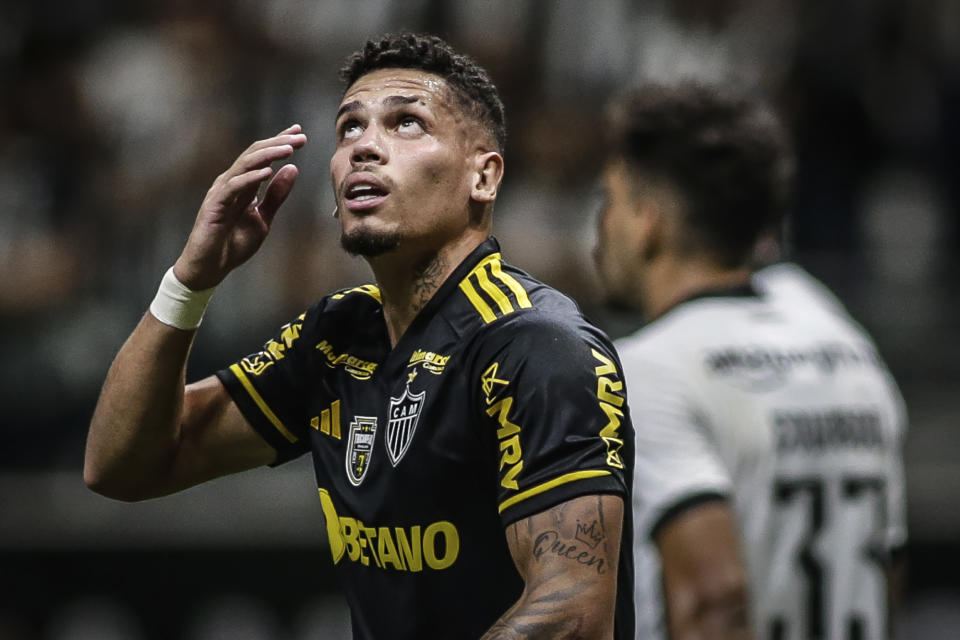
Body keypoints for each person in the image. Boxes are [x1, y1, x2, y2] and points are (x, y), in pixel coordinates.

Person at [84, 32, 635, 639]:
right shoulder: (336, 337)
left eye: (407, 123)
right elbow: (123, 466)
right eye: (348, 128)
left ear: (483, 175)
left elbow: (575, 614)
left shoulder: (534, 345)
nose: (364, 147)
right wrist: (189, 281)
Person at [593, 83, 907, 640]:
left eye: (611, 200)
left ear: (648, 221)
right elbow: (887, 569)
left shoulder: (647, 369)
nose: (601, 226)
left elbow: (714, 600)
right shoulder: (853, 355)